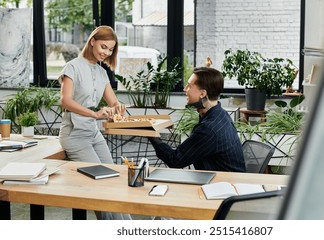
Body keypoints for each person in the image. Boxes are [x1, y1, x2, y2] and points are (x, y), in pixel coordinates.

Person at [58, 25, 131, 220]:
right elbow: (65, 100)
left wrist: (118, 108)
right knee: (100, 184)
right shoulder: (72, 67)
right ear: (92, 41)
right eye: (103, 47)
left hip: (93, 134)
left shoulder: (101, 73)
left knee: (113, 179)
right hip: (74, 135)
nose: (106, 53)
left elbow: (113, 101)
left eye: (110, 50)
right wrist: (94, 114)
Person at [149, 67, 246, 172]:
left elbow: (175, 160)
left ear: (203, 94)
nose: (185, 89)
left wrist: (153, 135)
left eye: (189, 86)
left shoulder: (209, 128)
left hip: (224, 185)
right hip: (222, 180)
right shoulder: (220, 114)